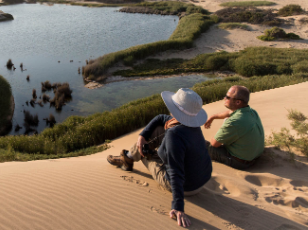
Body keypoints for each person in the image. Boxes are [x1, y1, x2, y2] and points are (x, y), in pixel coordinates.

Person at [107, 88, 212, 228]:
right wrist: (142, 135)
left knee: (143, 151)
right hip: (200, 180)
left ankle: (127, 159)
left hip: (187, 187)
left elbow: (176, 173)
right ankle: (129, 156)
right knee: (155, 131)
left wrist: (178, 206)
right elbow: (160, 118)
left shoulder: (174, 135)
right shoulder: (191, 125)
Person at [204, 85, 264, 170]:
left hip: (239, 162)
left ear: (238, 102)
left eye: (228, 97)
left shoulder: (235, 121)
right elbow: (229, 113)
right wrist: (213, 117)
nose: (224, 98)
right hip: (253, 157)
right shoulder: (251, 111)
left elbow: (214, 144)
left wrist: (222, 132)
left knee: (201, 144)